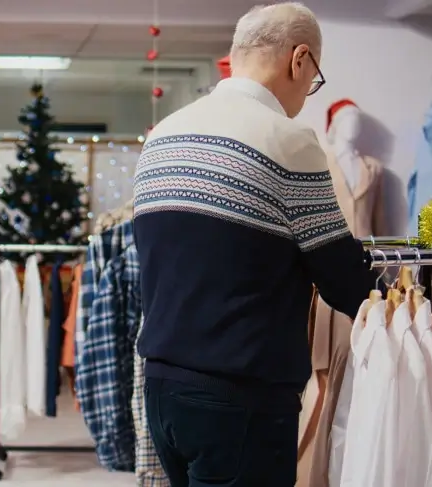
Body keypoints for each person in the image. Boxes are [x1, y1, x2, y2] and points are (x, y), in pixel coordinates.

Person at [132, 3, 378, 486]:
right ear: (300, 59)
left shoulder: (161, 136)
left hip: (161, 386)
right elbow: (342, 279)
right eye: (314, 78)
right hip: (239, 396)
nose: (309, 91)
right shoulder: (289, 141)